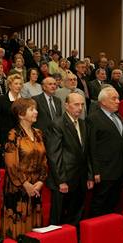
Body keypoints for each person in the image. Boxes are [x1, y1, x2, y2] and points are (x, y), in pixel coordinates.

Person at [1, 98, 48, 239]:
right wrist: (25, 184)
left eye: (36, 108)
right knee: (19, 230)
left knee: (35, 230)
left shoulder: (39, 133)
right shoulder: (13, 135)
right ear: (21, 115)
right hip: (18, 189)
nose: (36, 112)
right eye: (32, 109)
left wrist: (40, 182)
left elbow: (44, 160)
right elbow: (11, 164)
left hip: (36, 189)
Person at [45, 93, 93, 227]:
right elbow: (54, 155)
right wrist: (61, 181)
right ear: (66, 105)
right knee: (59, 218)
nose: (80, 108)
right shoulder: (57, 124)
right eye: (76, 104)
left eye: (82, 105)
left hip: (81, 178)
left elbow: (86, 153)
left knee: (76, 215)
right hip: (64, 179)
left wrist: (89, 176)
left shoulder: (83, 124)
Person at [87, 87, 123, 217]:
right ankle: (94, 231)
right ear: (103, 102)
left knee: (113, 203)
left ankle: (108, 229)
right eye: (114, 98)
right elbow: (91, 147)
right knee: (99, 203)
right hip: (104, 171)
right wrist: (95, 171)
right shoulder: (93, 118)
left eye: (118, 98)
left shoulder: (118, 117)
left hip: (120, 170)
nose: (118, 101)